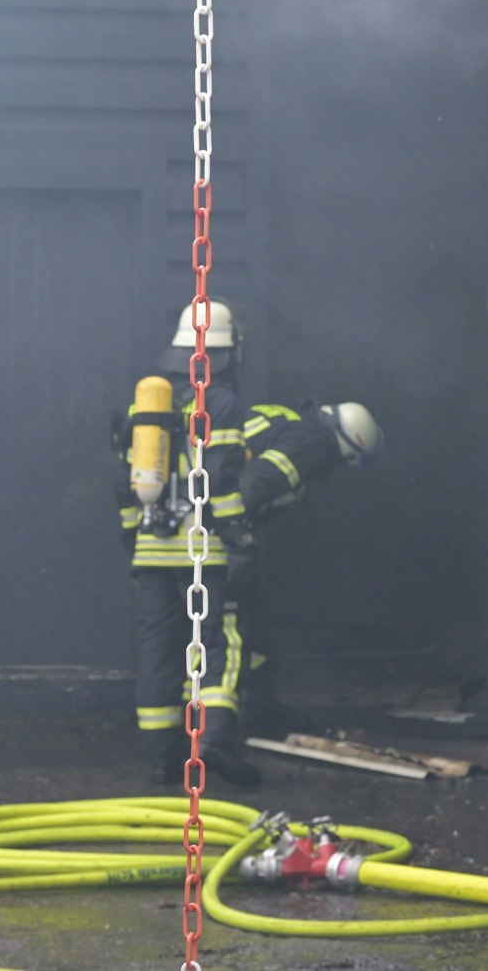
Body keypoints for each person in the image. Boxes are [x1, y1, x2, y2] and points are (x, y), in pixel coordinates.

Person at [114, 298, 260, 787]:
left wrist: (134, 534)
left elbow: (124, 481)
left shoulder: (145, 402)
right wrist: (237, 532)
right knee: (219, 644)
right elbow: (220, 475)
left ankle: (160, 760)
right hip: (201, 550)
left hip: (150, 551)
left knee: (157, 653)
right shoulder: (218, 403)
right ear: (224, 353)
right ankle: (216, 741)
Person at [226, 399, 383, 734]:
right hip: (214, 535)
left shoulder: (292, 419)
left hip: (198, 518)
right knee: (232, 629)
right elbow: (252, 486)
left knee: (250, 624)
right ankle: (230, 721)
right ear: (344, 449)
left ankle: (256, 707)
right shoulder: (312, 443)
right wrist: (238, 537)